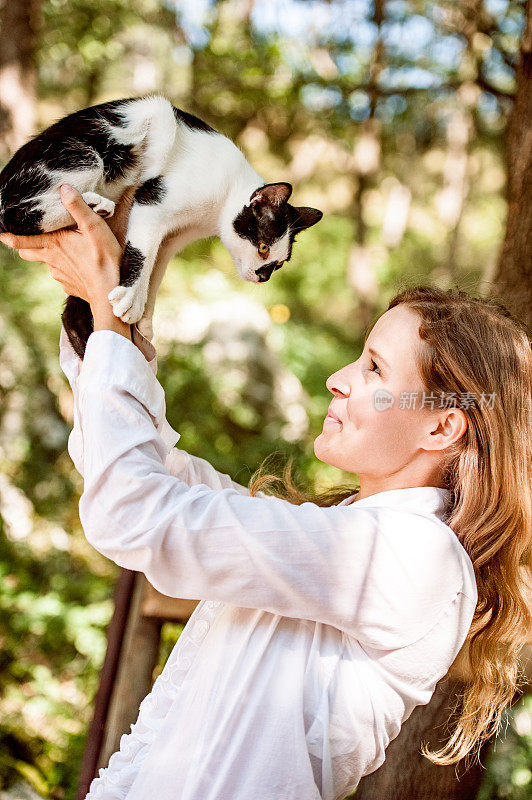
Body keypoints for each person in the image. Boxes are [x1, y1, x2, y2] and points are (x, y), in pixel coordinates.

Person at [1, 184, 530, 800]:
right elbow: (144, 472)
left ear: (442, 426)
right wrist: (100, 306)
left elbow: (138, 511)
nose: (338, 380)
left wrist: (113, 314)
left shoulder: (417, 559)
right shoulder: (340, 539)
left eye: (375, 369)